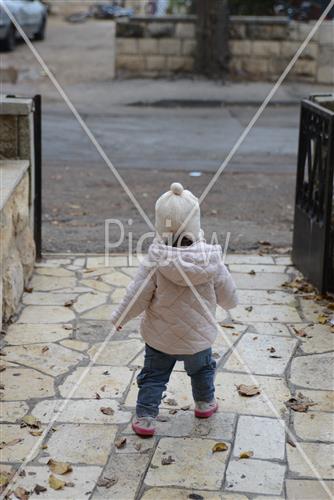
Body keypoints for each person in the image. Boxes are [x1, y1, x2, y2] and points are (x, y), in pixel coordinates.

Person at [111, 182, 238, 436]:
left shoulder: (155, 261)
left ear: (160, 225)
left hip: (161, 338)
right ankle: (204, 403)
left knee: (154, 376)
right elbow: (227, 294)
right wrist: (230, 304)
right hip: (198, 338)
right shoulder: (211, 260)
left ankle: (146, 417)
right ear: (196, 223)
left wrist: (121, 317)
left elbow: (137, 294)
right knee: (202, 370)